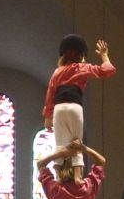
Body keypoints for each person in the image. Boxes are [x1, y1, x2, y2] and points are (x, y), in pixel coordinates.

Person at [42, 34, 115, 184]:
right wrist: (104, 56)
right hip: (75, 107)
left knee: (60, 143)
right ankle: (77, 176)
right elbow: (108, 70)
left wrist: (48, 116)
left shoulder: (57, 72)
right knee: (77, 142)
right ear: (81, 56)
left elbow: (51, 93)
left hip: (59, 109)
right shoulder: (83, 68)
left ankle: (58, 178)